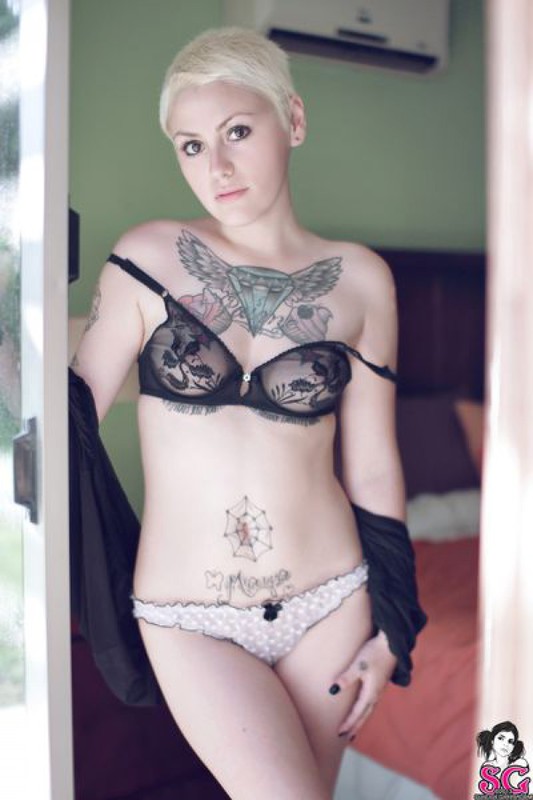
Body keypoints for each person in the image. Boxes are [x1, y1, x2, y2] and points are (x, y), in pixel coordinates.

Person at [71, 26, 426, 800]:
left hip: (332, 599)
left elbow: (371, 464)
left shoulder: (361, 279)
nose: (217, 167)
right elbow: (67, 419)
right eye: (191, 146)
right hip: (188, 616)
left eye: (236, 131)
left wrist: (394, 622)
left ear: (292, 120)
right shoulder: (146, 258)